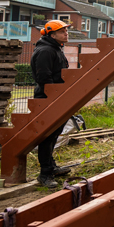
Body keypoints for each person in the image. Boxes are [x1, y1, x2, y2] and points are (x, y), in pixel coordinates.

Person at [30, 19, 74, 189]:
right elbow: (44, 78)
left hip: (55, 97)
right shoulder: (46, 51)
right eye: (62, 31)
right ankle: (45, 174)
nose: (66, 33)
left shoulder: (55, 49)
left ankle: (51, 167)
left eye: (66, 31)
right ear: (52, 34)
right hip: (47, 99)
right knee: (47, 136)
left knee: (53, 135)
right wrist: (53, 96)